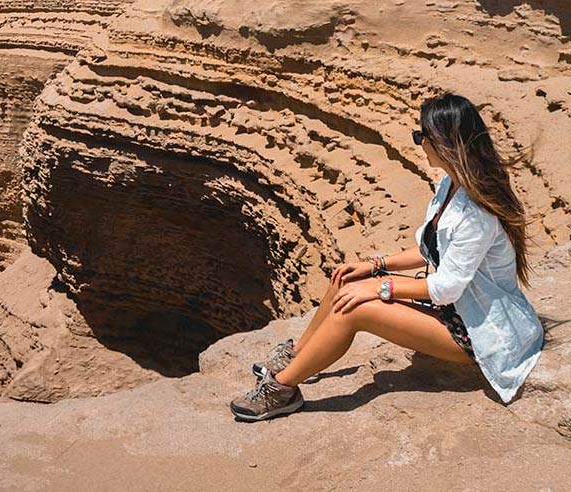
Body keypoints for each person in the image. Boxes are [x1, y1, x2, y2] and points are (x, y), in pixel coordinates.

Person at [230, 92, 545, 421]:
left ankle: (281, 390)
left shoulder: (476, 213)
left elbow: (447, 287)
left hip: (475, 330)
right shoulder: (451, 185)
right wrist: (374, 267)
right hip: (456, 309)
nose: (419, 142)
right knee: (346, 281)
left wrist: (381, 287)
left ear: (443, 142)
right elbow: (431, 250)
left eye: (421, 135)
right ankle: (299, 358)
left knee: (356, 309)